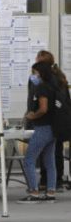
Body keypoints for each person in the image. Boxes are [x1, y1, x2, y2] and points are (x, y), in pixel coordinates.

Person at [18, 61, 59, 204]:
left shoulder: (42, 88)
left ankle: (34, 193)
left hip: (42, 129)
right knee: (49, 162)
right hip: (52, 129)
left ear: (40, 73)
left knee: (29, 159)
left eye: (34, 72)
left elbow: (43, 108)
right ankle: (50, 193)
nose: (32, 75)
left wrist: (32, 115)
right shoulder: (52, 86)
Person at [35, 50, 69, 191]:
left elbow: (45, 102)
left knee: (46, 151)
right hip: (61, 120)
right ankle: (58, 180)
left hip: (49, 120)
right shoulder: (60, 77)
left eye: (37, 61)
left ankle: (46, 181)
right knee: (57, 151)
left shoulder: (47, 79)